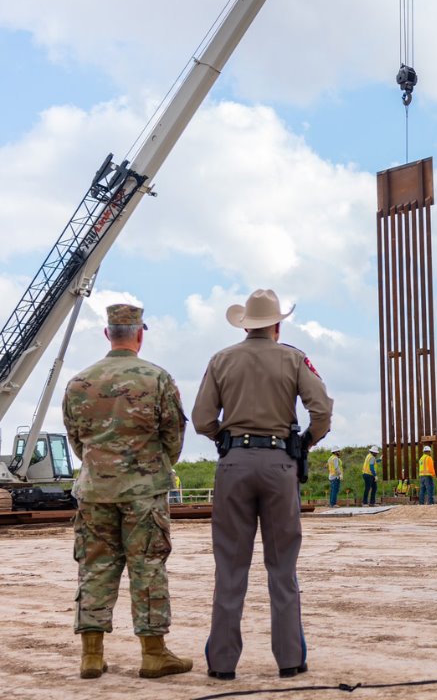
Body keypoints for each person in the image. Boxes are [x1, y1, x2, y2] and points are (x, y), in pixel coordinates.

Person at [192, 288, 333, 680]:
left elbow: (202, 418)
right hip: (279, 466)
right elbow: (321, 408)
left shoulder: (221, 360)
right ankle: (289, 660)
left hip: (233, 465)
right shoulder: (293, 357)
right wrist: (305, 441)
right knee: (282, 568)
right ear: (277, 324)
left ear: (246, 324)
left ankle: (222, 664)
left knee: (231, 569)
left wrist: (226, 437)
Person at [62, 303, 192, 680]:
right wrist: (155, 465)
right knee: (148, 567)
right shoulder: (157, 378)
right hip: (144, 490)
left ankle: (91, 656)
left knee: (94, 568)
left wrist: (99, 466)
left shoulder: (78, 382)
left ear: (107, 334)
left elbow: (76, 439)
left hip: (94, 490)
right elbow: (173, 435)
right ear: (140, 334)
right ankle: (153, 654)